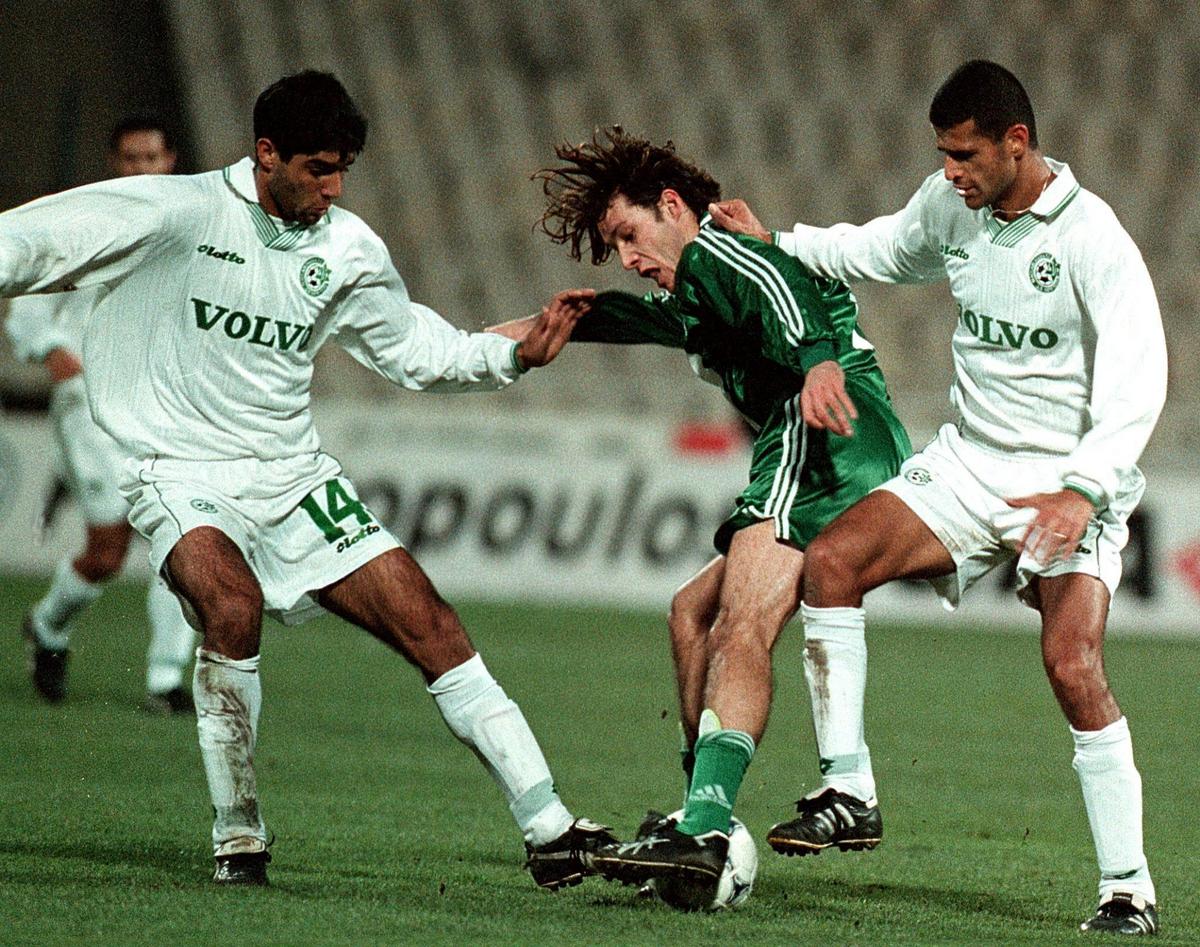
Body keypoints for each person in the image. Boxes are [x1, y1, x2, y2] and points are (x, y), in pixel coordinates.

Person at [0, 70, 614, 889]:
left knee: (430, 621)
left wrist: (512, 354)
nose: (333, 189)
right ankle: (239, 835)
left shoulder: (348, 248)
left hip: (292, 475)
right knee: (232, 606)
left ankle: (550, 827)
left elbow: (412, 348)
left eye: (342, 171)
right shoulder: (177, 212)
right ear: (266, 154)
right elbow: (31, 241)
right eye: (318, 169)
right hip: (177, 469)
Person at [710, 60, 1165, 936]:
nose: (950, 172)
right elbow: (880, 248)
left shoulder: (1093, 239)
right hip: (970, 463)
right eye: (944, 156)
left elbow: (1138, 379)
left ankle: (1127, 888)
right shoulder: (952, 206)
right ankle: (850, 789)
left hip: (1063, 479)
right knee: (833, 560)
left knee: (1073, 665)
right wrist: (778, 242)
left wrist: (1084, 488)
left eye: (964, 155)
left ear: (1016, 142)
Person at [491, 127, 909, 907]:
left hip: (821, 432)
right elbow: (625, 318)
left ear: (674, 205)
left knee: (740, 624)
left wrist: (817, 359)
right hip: (840, 436)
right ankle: (697, 813)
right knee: (692, 611)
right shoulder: (697, 294)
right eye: (615, 245)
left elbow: (782, 284)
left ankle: (707, 825)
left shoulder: (720, 251)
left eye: (629, 234)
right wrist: (473, 344)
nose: (626, 256)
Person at [6, 116, 199, 713]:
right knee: (108, 551)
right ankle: (48, 624)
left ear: (170, 161)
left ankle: (164, 680)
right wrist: (50, 349)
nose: (141, 168)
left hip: (161, 407)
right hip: (88, 406)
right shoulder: (85, 220)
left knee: (183, 540)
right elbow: (29, 294)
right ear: (115, 163)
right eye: (130, 158)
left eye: (151, 157)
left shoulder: (192, 228)